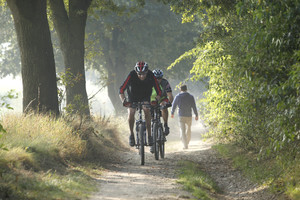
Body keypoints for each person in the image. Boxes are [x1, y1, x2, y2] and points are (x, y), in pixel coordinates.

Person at [119, 61, 162, 147]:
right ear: (136, 72)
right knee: (131, 113)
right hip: (132, 96)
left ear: (147, 72)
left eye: (144, 74)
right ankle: (131, 135)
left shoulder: (151, 75)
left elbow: (159, 91)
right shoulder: (131, 74)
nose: (142, 76)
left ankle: (149, 136)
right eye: (139, 74)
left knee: (147, 110)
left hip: (145, 96)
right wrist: (124, 100)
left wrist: (157, 99)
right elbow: (121, 90)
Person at [171, 84, 198, 149]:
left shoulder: (177, 96)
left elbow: (174, 105)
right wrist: (196, 114)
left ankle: (185, 144)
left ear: (180, 89)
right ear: (186, 89)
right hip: (189, 115)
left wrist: (172, 113)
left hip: (181, 115)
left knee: (182, 130)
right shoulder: (191, 96)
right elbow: (194, 106)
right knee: (188, 129)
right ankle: (187, 141)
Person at [151, 69, 173, 135]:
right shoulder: (148, 83)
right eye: (156, 78)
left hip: (162, 99)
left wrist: (169, 102)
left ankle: (166, 125)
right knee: (148, 112)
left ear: (162, 78)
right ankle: (152, 124)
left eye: (159, 78)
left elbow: (170, 95)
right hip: (151, 100)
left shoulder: (165, 83)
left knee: (164, 108)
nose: (158, 80)